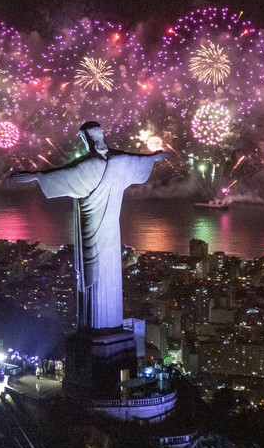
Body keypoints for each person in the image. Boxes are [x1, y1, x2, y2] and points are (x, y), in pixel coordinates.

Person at [13, 121, 168, 329]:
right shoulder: (120, 161)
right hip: (112, 233)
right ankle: (109, 325)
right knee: (107, 272)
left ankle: (95, 327)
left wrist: (35, 176)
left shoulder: (89, 166)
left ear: (86, 139)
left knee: (92, 273)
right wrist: (153, 158)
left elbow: (63, 175)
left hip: (92, 229)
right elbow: (136, 160)